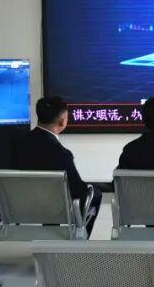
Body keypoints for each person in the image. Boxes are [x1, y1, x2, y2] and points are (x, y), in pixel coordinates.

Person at [12, 96, 102, 238]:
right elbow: (78, 191)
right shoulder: (61, 154)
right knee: (94, 194)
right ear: (62, 122)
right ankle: (80, 237)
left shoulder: (15, 144)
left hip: (19, 208)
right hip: (52, 209)